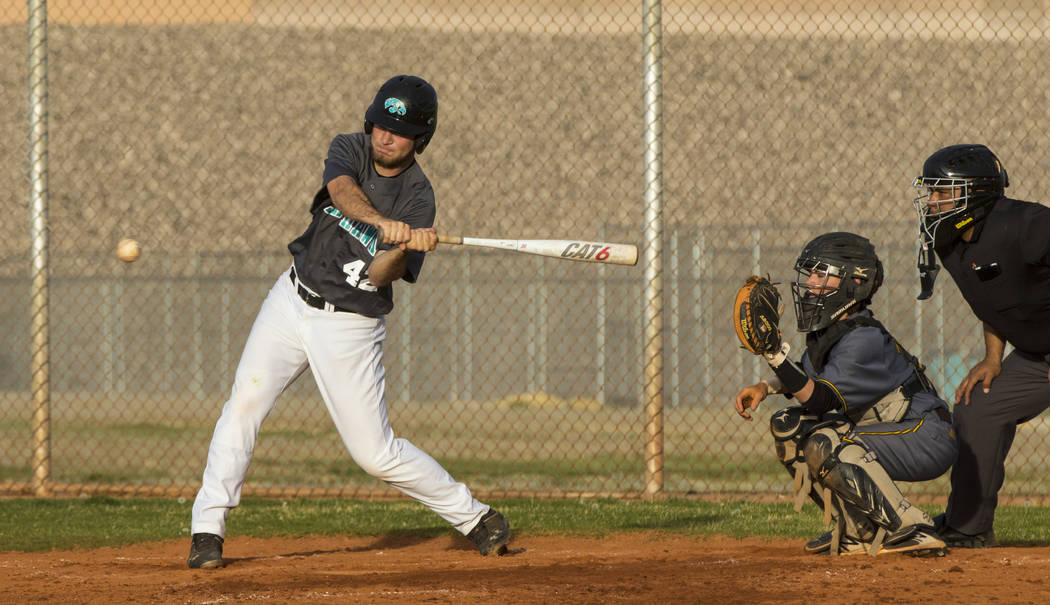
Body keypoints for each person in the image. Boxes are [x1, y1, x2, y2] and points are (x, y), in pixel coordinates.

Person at [186, 75, 511, 569]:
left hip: (350, 325)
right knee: (242, 407)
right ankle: (207, 530)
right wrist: (380, 222)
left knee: (375, 454)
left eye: (399, 131)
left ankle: (477, 517)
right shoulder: (350, 149)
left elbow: (381, 277)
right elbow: (339, 192)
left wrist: (401, 247)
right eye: (381, 123)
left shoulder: (419, 200)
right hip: (292, 298)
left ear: (420, 139)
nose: (386, 136)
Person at [734, 232, 957, 556]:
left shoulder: (863, 339)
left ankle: (910, 528)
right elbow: (802, 376)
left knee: (828, 443)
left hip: (926, 434)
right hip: (891, 431)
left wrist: (774, 356)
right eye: (810, 273)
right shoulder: (830, 334)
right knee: (789, 426)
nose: (810, 283)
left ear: (854, 282)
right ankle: (859, 530)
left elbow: (819, 399)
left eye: (821, 274)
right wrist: (765, 387)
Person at [912, 143, 1050, 548]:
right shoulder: (949, 241)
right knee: (979, 406)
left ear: (976, 194)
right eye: (931, 191)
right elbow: (992, 299)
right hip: (1035, 356)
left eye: (943, 192)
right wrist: (993, 358)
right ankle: (968, 527)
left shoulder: (1028, 224)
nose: (932, 201)